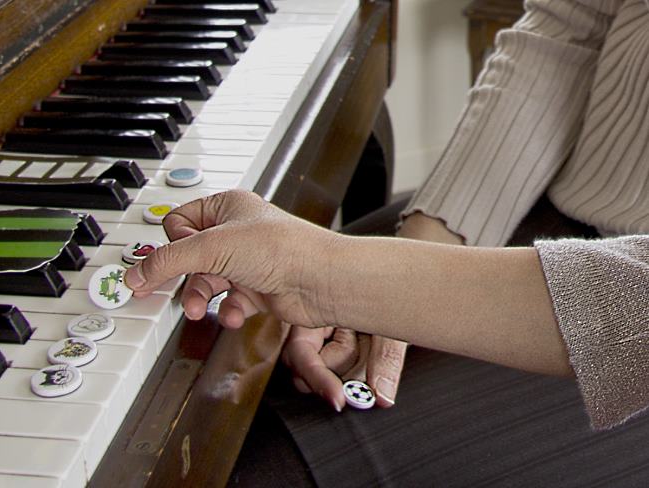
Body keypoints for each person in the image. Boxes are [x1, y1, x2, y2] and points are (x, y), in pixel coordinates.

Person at [126, 0, 649, 484]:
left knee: (249, 463)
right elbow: (571, 28)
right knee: (223, 357)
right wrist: (423, 248)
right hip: (566, 208)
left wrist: (334, 277)